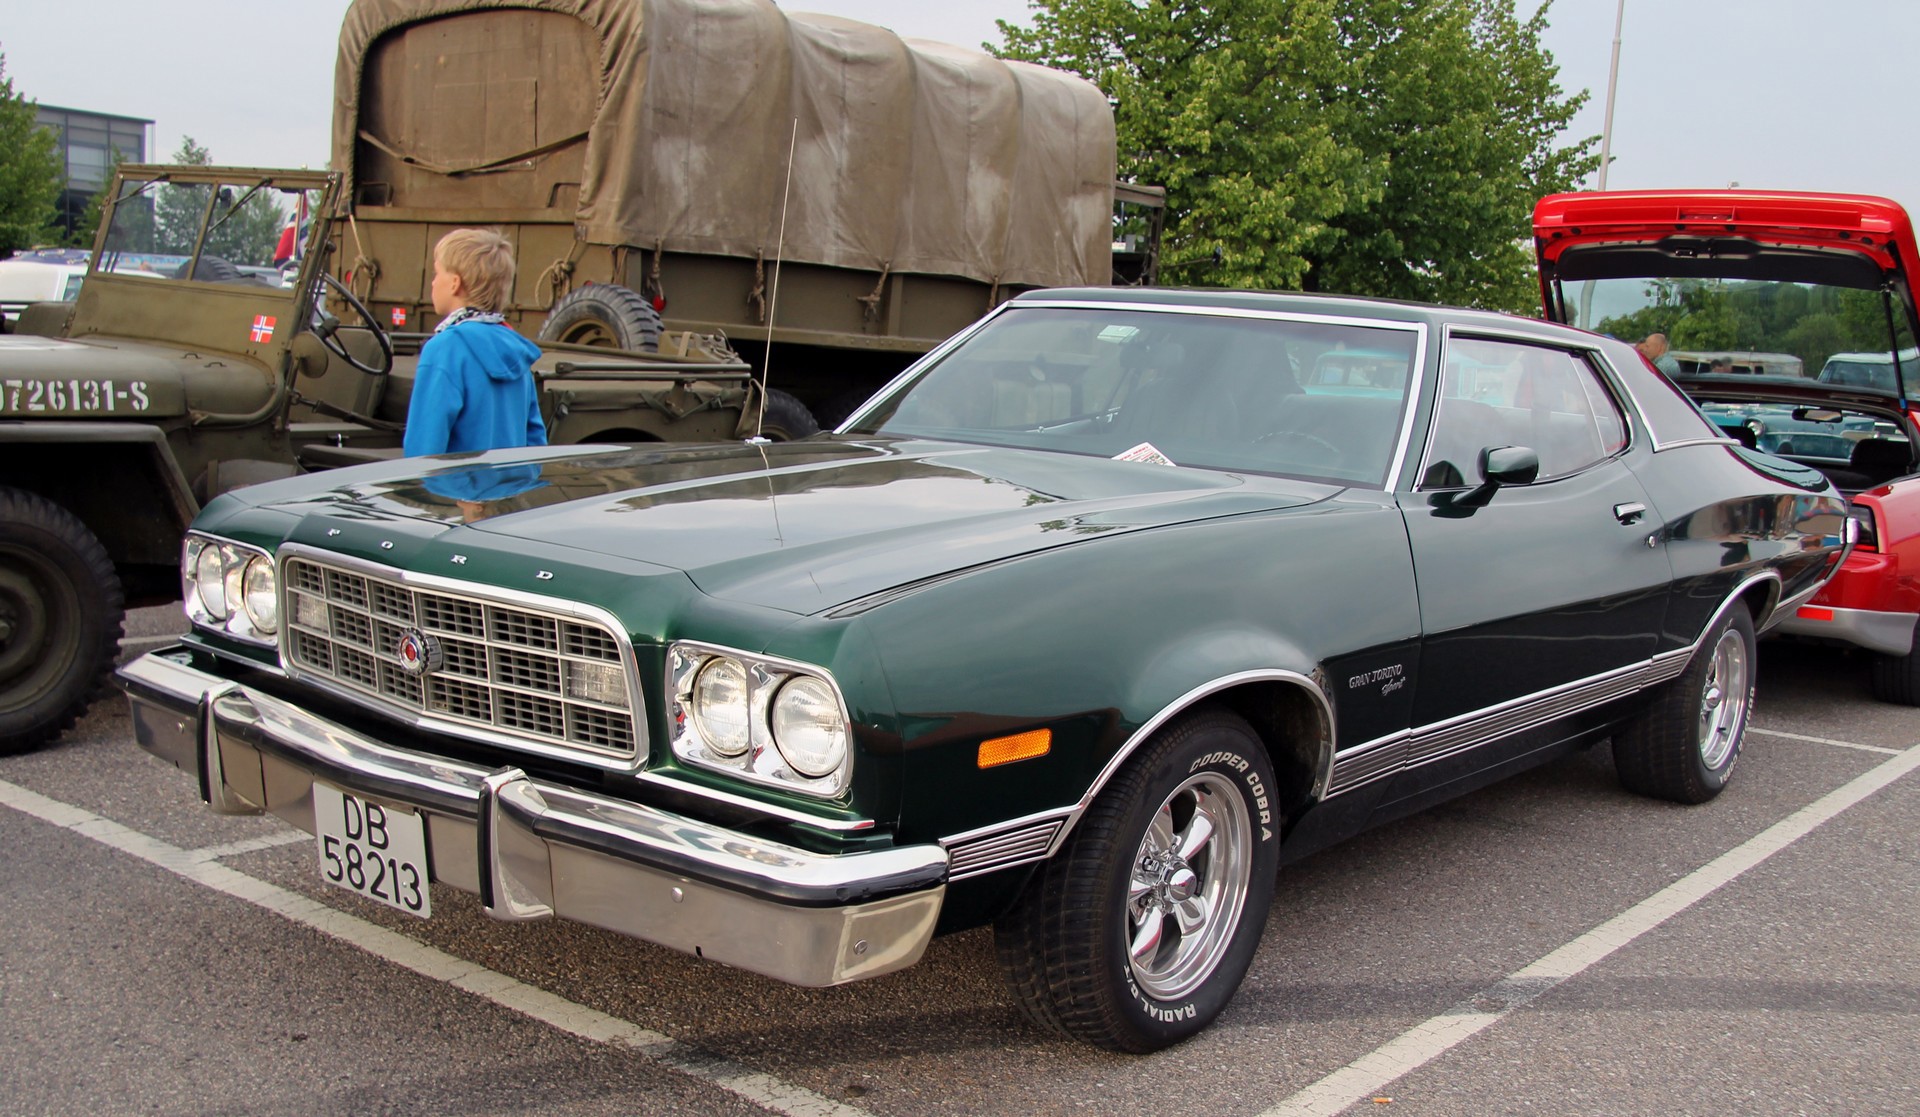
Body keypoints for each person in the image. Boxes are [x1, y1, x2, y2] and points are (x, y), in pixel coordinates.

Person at [402, 229, 547, 456]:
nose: (433, 282)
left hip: (456, 481)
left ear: (454, 283)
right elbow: (535, 440)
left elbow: (424, 448)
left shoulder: (444, 349)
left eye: (436, 273)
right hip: (511, 480)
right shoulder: (516, 350)